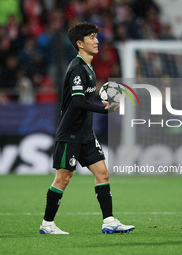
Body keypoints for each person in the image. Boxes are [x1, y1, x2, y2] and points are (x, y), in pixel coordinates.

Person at [39, 22, 135, 235]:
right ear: (80, 43)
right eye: (92, 37)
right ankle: (47, 224)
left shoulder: (89, 68)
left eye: (96, 36)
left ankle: (109, 220)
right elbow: (78, 102)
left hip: (85, 133)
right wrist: (104, 109)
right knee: (63, 178)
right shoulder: (77, 68)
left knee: (103, 173)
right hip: (70, 133)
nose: (97, 40)